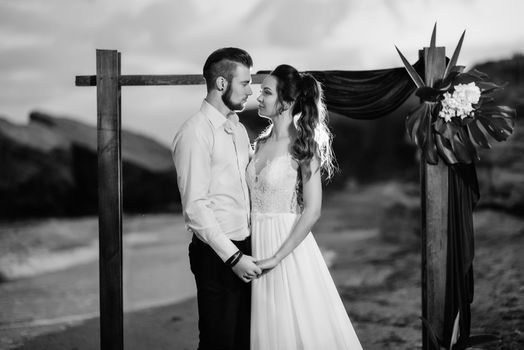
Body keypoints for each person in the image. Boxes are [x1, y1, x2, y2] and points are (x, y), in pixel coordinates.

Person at [248, 64, 363, 349]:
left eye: (266, 92)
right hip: (254, 240)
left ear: (286, 101)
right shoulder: (259, 144)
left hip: (285, 243)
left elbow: (312, 211)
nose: (258, 98)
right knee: (268, 327)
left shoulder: (303, 146)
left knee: (295, 325)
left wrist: (277, 257)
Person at [172, 47, 262, 350]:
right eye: (245, 82)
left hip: (248, 247)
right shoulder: (194, 132)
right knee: (218, 342)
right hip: (217, 254)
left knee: (243, 340)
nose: (251, 90)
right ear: (221, 84)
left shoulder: (238, 130)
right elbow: (195, 207)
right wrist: (233, 257)